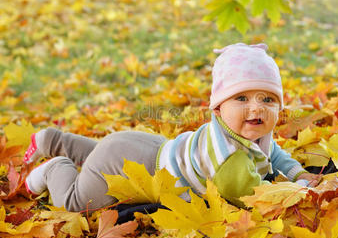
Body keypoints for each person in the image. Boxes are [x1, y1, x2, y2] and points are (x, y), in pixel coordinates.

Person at [24, 43, 321, 211]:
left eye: (268, 99)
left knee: (101, 152)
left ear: (277, 107)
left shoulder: (250, 128)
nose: (256, 107)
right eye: (241, 97)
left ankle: (53, 139)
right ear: (217, 108)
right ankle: (55, 167)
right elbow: (259, 197)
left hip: (149, 148)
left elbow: (274, 152)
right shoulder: (230, 161)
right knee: (79, 201)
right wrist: (302, 190)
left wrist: (298, 172)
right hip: (134, 166)